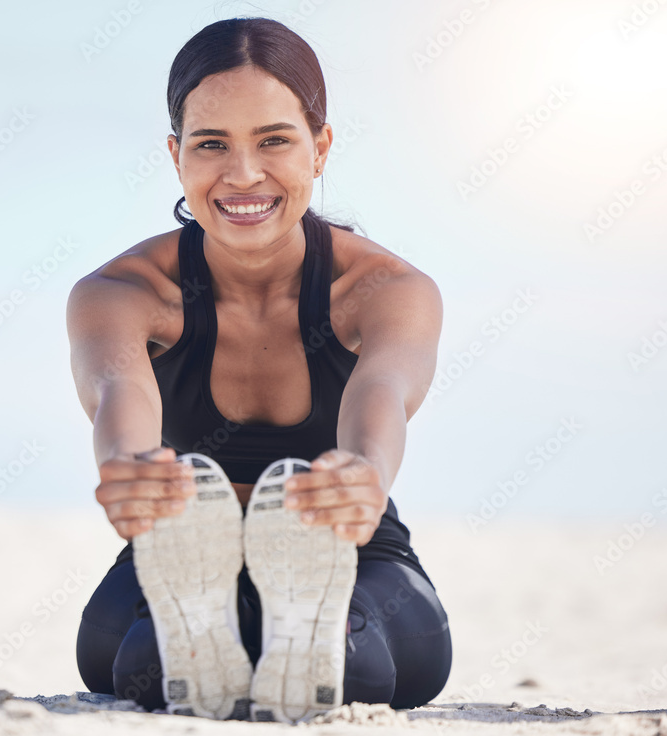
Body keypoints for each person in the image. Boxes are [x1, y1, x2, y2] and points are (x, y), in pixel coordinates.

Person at [67, 17, 451, 723]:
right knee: (126, 667)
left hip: (347, 552)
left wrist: (363, 475)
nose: (243, 174)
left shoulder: (390, 291)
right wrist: (131, 469)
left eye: (273, 139)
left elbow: (385, 391)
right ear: (177, 155)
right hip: (184, 553)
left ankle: (297, 617)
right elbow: (117, 389)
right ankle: (215, 610)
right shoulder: (120, 294)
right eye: (212, 145)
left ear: (319, 148)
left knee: (366, 670)